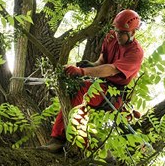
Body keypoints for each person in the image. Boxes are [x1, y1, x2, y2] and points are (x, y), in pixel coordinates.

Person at [39, 9, 145, 152]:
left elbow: (112, 69)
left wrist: (83, 72)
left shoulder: (136, 52)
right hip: (101, 85)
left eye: (122, 33)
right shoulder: (111, 37)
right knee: (75, 89)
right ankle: (75, 136)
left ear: (132, 33)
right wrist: (91, 65)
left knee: (82, 90)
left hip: (114, 94)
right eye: (116, 31)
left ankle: (60, 140)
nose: (118, 35)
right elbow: (102, 60)